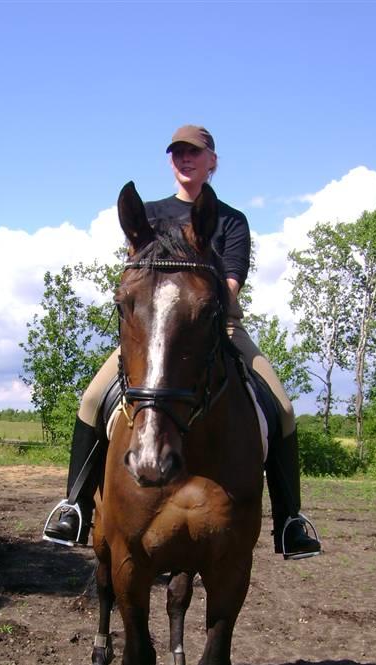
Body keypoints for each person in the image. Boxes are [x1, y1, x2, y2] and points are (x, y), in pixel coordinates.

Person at [43, 125, 321, 560]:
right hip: (153, 333)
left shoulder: (230, 220)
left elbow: (231, 282)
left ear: (213, 161)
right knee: (92, 398)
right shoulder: (150, 214)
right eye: (177, 153)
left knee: (281, 407)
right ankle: (74, 506)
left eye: (194, 152)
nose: (184, 159)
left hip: (219, 329)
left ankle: (291, 520)